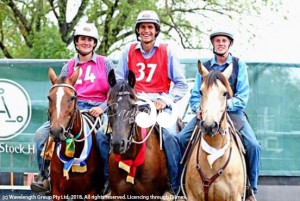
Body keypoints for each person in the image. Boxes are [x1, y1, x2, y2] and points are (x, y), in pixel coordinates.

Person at [99, 10, 188, 196]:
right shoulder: (128, 51)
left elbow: (181, 84)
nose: (146, 30)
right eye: (142, 27)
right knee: (102, 134)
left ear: (156, 31)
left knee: (171, 136)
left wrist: (164, 101)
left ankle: (174, 186)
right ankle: (107, 182)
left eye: (150, 27)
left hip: (158, 104)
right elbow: (120, 82)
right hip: (133, 104)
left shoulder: (167, 51)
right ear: (137, 31)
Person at [30, 22, 114, 195]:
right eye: (82, 39)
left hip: (97, 110)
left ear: (94, 43)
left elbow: (115, 90)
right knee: (41, 135)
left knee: (102, 137)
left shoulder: (105, 63)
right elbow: (60, 92)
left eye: (90, 40)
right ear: (76, 41)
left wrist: (103, 107)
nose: (86, 42)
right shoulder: (67, 67)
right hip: (70, 111)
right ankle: (45, 177)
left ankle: (107, 180)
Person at [178, 28, 261, 201]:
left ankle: (250, 190)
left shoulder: (239, 65)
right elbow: (195, 95)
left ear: (229, 44)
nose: (221, 43)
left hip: (233, 113)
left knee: (253, 145)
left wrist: (223, 106)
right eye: (217, 41)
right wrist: (198, 109)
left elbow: (242, 97)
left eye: (224, 40)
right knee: (180, 139)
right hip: (206, 113)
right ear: (213, 44)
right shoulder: (205, 67)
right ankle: (177, 187)